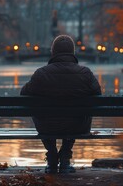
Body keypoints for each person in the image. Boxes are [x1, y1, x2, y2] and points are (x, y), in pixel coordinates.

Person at [20, 35, 101, 174]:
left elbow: (24, 95)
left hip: (47, 127)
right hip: (77, 126)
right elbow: (98, 96)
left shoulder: (41, 74)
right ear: (73, 52)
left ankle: (52, 157)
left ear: (53, 52)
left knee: (39, 112)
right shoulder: (85, 73)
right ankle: (65, 158)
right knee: (77, 115)